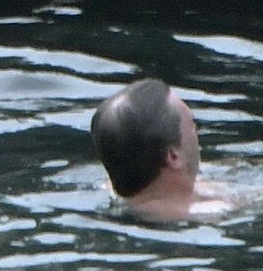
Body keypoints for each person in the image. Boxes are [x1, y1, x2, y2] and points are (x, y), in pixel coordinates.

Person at [90, 78, 230, 220]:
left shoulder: (113, 189)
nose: (196, 129)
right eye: (191, 124)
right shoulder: (211, 212)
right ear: (173, 156)